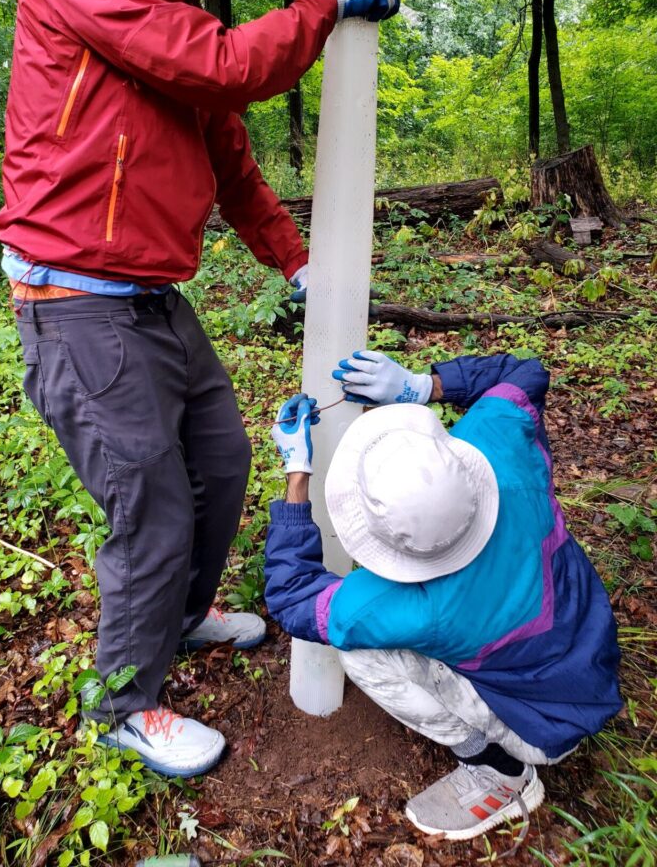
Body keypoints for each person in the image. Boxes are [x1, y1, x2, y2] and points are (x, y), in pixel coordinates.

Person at [0, 0, 400, 778]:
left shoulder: (176, 10)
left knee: (221, 459)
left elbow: (231, 162)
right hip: (73, 298)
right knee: (154, 509)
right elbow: (223, 67)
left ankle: (176, 618)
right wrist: (327, 3)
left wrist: (299, 267)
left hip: (149, 297)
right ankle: (124, 704)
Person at [265, 351, 621, 839]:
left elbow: (291, 598)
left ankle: (501, 772)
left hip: (542, 729)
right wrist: (419, 386)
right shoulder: (499, 444)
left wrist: (296, 473)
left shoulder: (401, 604)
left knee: (363, 659)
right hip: (592, 661)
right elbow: (526, 371)